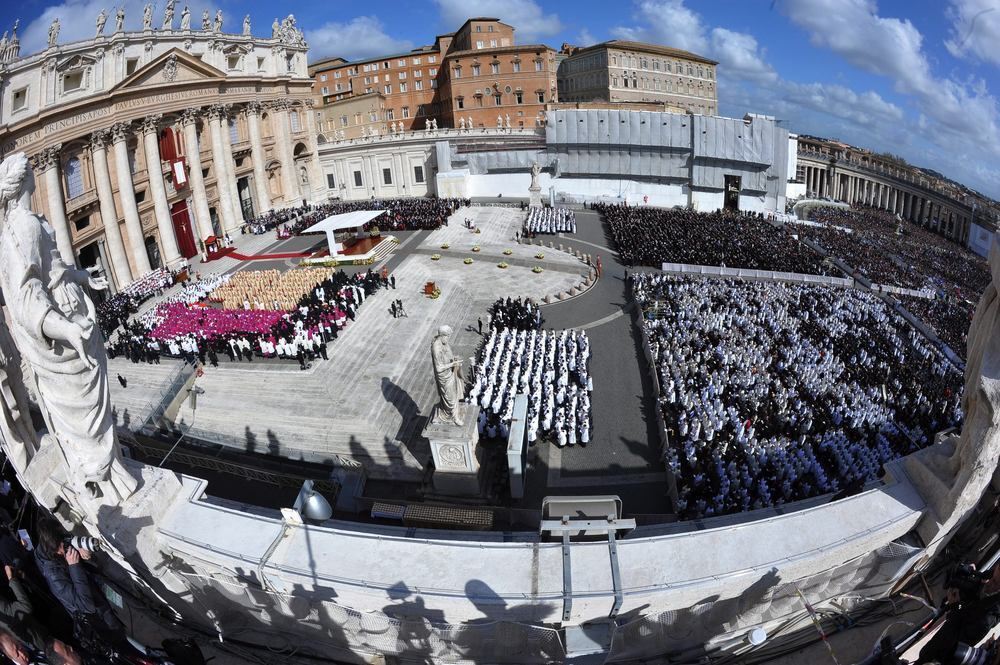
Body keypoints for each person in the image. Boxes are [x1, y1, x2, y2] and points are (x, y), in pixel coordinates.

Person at [33, 519, 124, 641]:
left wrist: (84, 555)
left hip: (99, 590)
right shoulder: (54, 576)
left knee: (124, 607)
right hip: (100, 617)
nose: (66, 544)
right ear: (55, 547)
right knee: (121, 637)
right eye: (62, 543)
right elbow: (86, 605)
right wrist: (74, 566)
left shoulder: (53, 544)